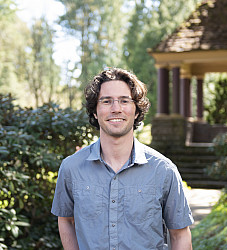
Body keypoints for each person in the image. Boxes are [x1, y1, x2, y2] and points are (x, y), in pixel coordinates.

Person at [51, 68, 194, 250]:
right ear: (95, 111)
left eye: (124, 101)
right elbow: (66, 220)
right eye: (106, 101)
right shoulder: (71, 168)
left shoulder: (164, 170)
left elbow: (179, 234)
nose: (116, 109)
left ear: (136, 111)